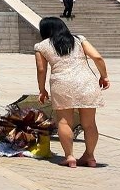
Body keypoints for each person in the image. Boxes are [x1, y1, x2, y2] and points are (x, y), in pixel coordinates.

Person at [35, 17, 110, 168]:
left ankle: (69, 156)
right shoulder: (79, 40)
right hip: (86, 81)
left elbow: (41, 70)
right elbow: (97, 57)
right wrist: (104, 76)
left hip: (61, 84)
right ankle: (90, 156)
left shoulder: (41, 46)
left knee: (64, 122)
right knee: (89, 124)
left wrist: (42, 89)